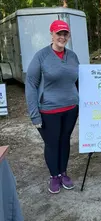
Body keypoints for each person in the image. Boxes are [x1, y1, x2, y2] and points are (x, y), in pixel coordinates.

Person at [25, 20, 79, 194]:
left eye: (65, 34)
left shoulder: (72, 56)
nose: (62, 37)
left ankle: (63, 173)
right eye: (59, 34)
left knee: (65, 141)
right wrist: (34, 114)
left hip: (71, 108)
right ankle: (54, 176)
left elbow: (79, 81)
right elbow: (31, 84)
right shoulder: (41, 56)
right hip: (49, 110)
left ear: (68, 36)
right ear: (52, 34)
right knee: (52, 143)